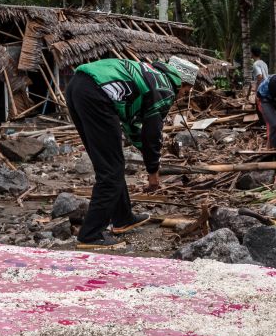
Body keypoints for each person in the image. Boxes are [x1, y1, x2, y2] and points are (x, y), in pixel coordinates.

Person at [66, 56, 197, 249]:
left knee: (111, 164)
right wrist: (153, 172)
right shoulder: (165, 89)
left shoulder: (153, 75)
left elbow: (133, 126)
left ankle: (123, 218)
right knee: (110, 171)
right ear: (183, 83)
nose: (184, 96)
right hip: (96, 94)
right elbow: (153, 134)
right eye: (186, 91)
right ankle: (90, 235)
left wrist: (144, 151)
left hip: (77, 86)